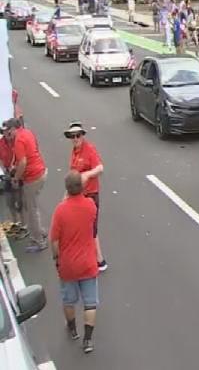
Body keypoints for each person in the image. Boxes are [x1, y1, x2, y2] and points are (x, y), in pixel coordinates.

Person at [50, 171, 100, 354]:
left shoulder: (60, 211)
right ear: (82, 187)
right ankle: (87, 341)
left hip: (68, 265)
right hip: (88, 263)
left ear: (66, 189)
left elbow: (54, 241)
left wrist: (57, 260)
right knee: (90, 304)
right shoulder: (90, 206)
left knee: (69, 300)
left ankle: (72, 330)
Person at [66, 122, 107, 272]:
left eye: (78, 135)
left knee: (91, 229)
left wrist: (87, 175)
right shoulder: (74, 151)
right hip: (79, 196)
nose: (75, 138)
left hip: (90, 195)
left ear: (82, 136)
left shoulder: (89, 150)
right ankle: (91, 258)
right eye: (72, 136)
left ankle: (100, 260)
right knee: (83, 228)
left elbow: (100, 168)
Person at [7, 117, 47, 252]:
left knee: (31, 210)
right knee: (32, 205)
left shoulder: (18, 140)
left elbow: (23, 162)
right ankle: (40, 231)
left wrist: (16, 178)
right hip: (41, 171)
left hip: (32, 178)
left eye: (8, 131)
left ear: (13, 129)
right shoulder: (28, 132)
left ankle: (39, 241)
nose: (8, 135)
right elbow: (33, 149)